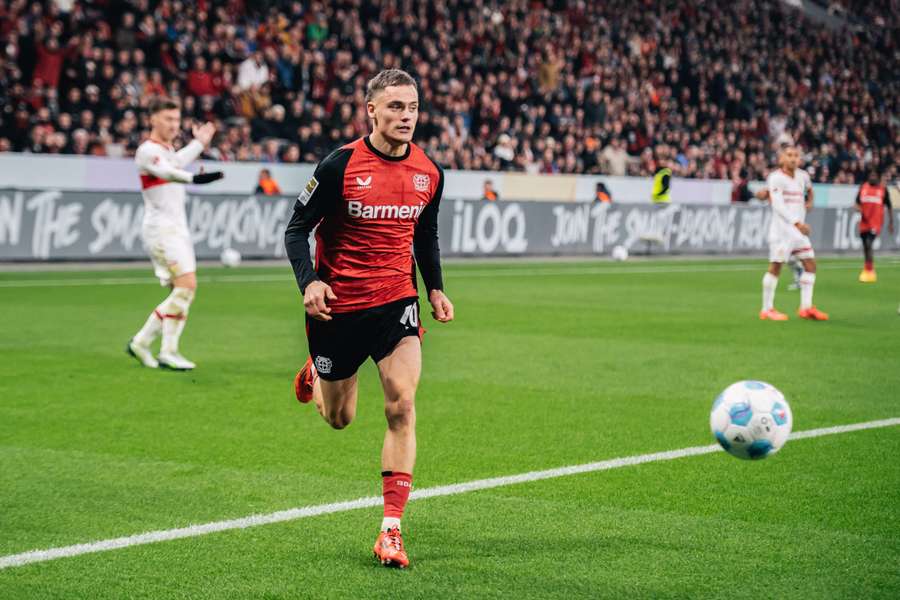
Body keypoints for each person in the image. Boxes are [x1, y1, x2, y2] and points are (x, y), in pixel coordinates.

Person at [284, 69, 454, 569]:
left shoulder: (429, 173)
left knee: (401, 405)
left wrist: (436, 289)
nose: (406, 117)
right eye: (396, 107)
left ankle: (391, 530)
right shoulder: (339, 166)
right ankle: (317, 370)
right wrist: (310, 282)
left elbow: (426, 236)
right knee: (340, 419)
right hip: (337, 308)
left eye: (414, 107)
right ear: (372, 110)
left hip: (395, 303)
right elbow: (296, 230)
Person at [127, 98, 223, 370]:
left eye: (176, 119)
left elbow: (177, 160)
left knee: (182, 293)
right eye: (168, 119)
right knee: (187, 286)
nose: (173, 125)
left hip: (176, 230)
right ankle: (142, 341)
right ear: (152, 119)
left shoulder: (167, 149)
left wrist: (199, 143)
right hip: (161, 231)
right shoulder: (147, 150)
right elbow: (168, 171)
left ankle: (167, 350)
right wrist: (195, 179)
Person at [759, 145, 828, 321]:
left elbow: (810, 190)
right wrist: (797, 223)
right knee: (775, 268)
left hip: (798, 233)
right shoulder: (775, 178)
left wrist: (810, 201)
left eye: (796, 155)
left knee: (810, 265)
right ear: (782, 158)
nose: (793, 158)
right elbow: (777, 204)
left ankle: (806, 308)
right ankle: (767, 309)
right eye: (789, 155)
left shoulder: (803, 176)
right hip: (782, 232)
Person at [854, 170, 894, 283]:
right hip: (864, 222)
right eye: (870, 175)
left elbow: (889, 206)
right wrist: (858, 208)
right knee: (865, 246)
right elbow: (856, 203)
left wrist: (891, 223)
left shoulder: (883, 190)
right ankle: (867, 270)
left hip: (875, 223)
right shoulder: (863, 188)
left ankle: (870, 271)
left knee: (869, 243)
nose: (872, 177)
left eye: (874, 175)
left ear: (878, 177)